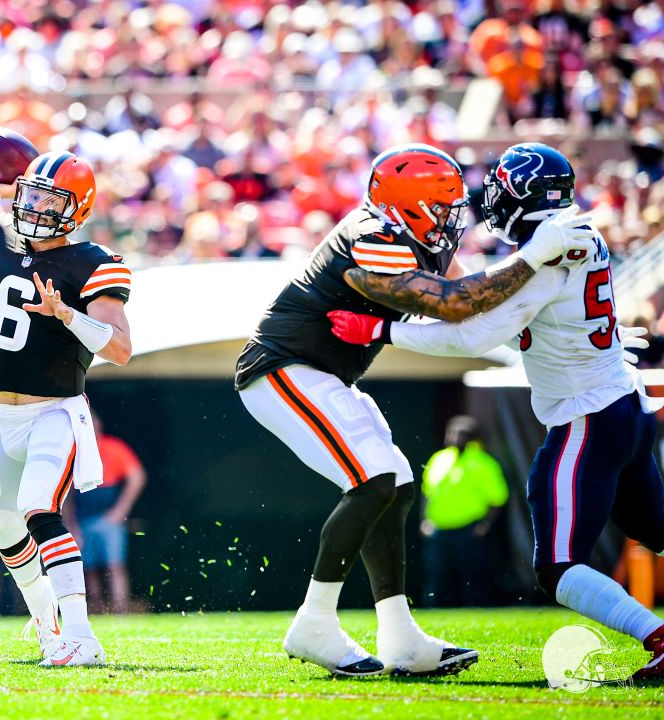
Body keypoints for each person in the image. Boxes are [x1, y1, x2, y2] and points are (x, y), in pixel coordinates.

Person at [234, 143, 596, 678]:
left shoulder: (410, 234)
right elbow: (454, 303)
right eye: (441, 207)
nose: (453, 218)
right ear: (407, 205)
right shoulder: (372, 236)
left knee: (398, 484)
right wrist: (534, 253)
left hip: (320, 373)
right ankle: (314, 623)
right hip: (282, 366)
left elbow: (478, 300)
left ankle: (401, 636)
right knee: (374, 479)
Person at [328, 142, 664, 682]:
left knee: (557, 567)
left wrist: (383, 329)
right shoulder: (568, 233)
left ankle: (659, 637)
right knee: (657, 529)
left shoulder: (549, 249)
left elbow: (477, 333)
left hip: (588, 416)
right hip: (622, 405)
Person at [0, 150, 133, 666]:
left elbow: (121, 349)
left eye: (46, 198)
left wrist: (66, 315)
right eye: (30, 194)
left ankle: (82, 635)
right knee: (3, 526)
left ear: (77, 208)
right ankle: (47, 626)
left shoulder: (95, 264)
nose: (33, 206)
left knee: (39, 505)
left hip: (53, 412)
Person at [420, 416, 509, 607]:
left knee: (474, 576)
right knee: (437, 575)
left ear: (472, 438)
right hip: (439, 530)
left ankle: (478, 612)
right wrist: (425, 520)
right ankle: (433, 614)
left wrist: (485, 525)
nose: (455, 438)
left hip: (468, 530)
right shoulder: (439, 459)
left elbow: (498, 498)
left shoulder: (483, 462)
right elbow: (427, 493)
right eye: (452, 433)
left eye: (461, 435)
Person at [74, 419, 145, 615]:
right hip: (82, 521)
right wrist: (70, 524)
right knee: (89, 571)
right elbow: (67, 495)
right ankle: (95, 612)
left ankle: (121, 611)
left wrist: (120, 510)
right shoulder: (74, 451)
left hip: (108, 519)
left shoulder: (114, 447)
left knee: (115, 566)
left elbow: (137, 477)